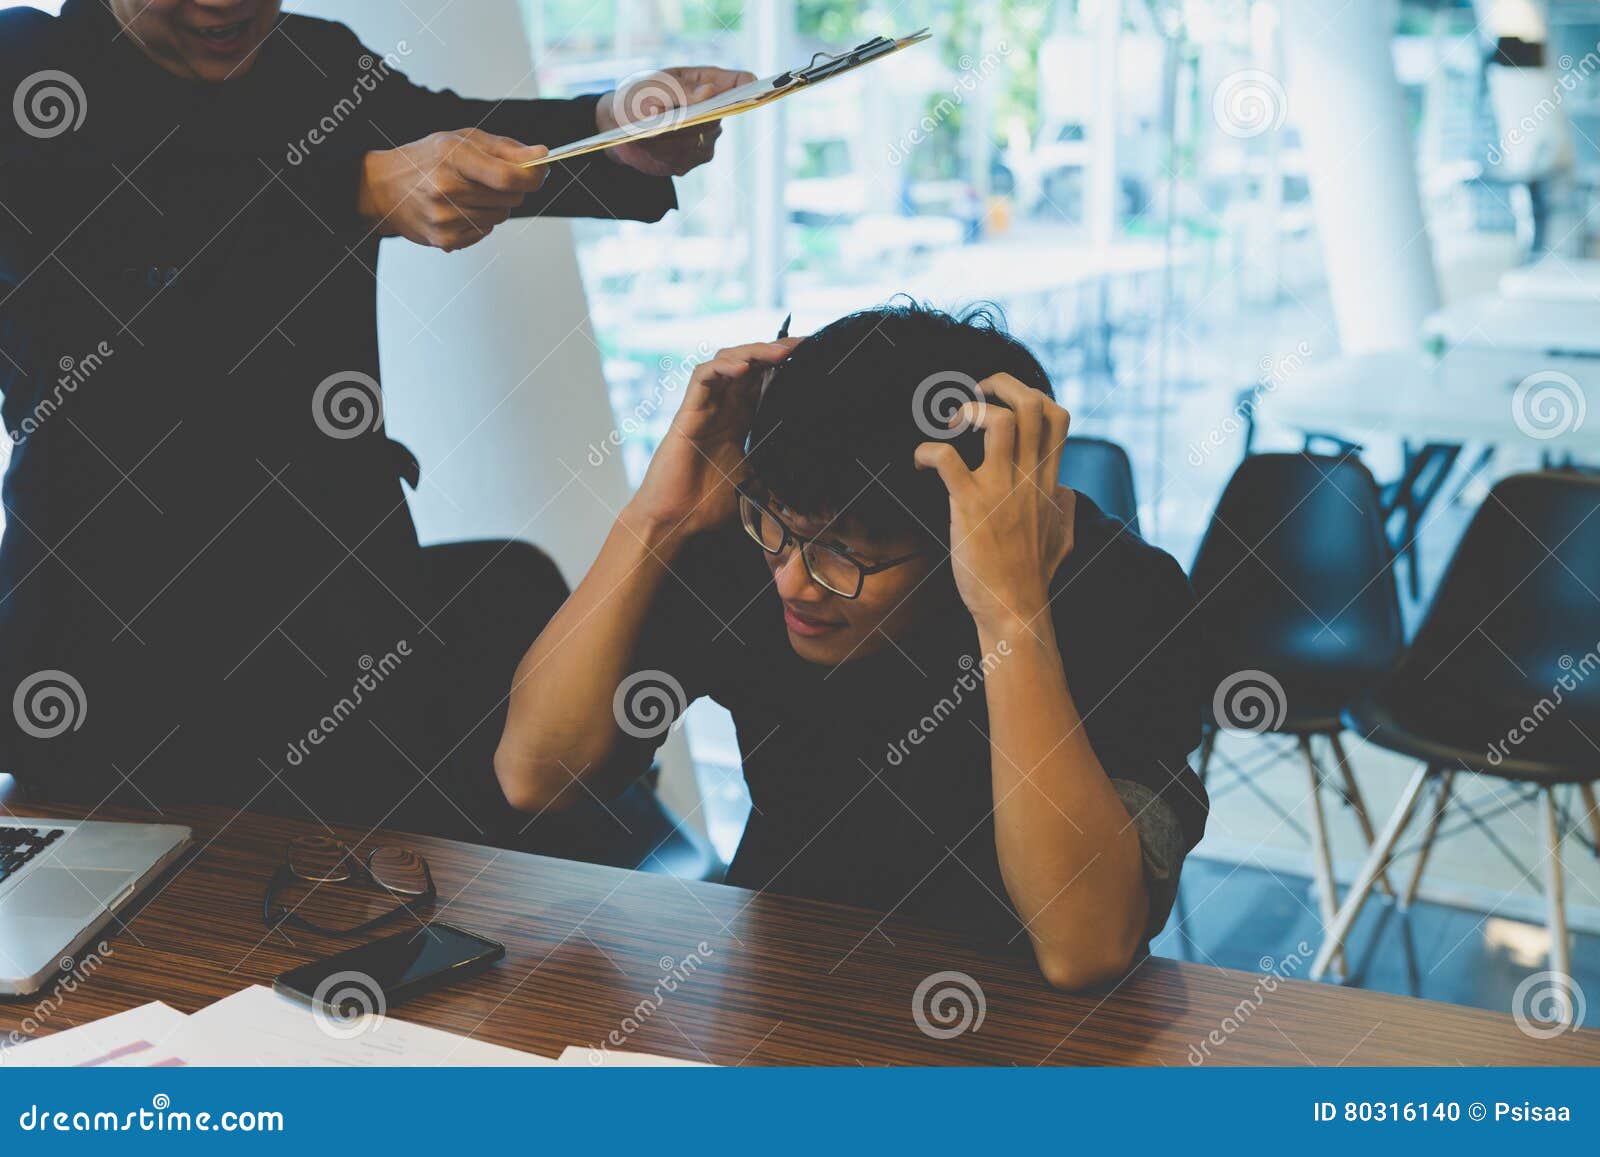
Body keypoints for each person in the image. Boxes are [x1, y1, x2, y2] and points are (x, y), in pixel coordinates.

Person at [0, 0, 750, 841]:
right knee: (140, 954)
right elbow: (141, 210)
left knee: (389, 931)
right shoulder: (25, 65)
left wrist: (616, 126)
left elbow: (462, 144)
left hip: (342, 619)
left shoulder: (311, 60)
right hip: (114, 649)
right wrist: (355, 185)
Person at [494, 303, 1209, 989]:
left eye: (844, 551)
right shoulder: (760, 549)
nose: (797, 583)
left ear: (956, 530)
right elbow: (535, 774)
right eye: (778, 525)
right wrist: (658, 517)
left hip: (1023, 1035)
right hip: (784, 987)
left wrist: (1011, 611)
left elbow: (1086, 946)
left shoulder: (1120, 596)